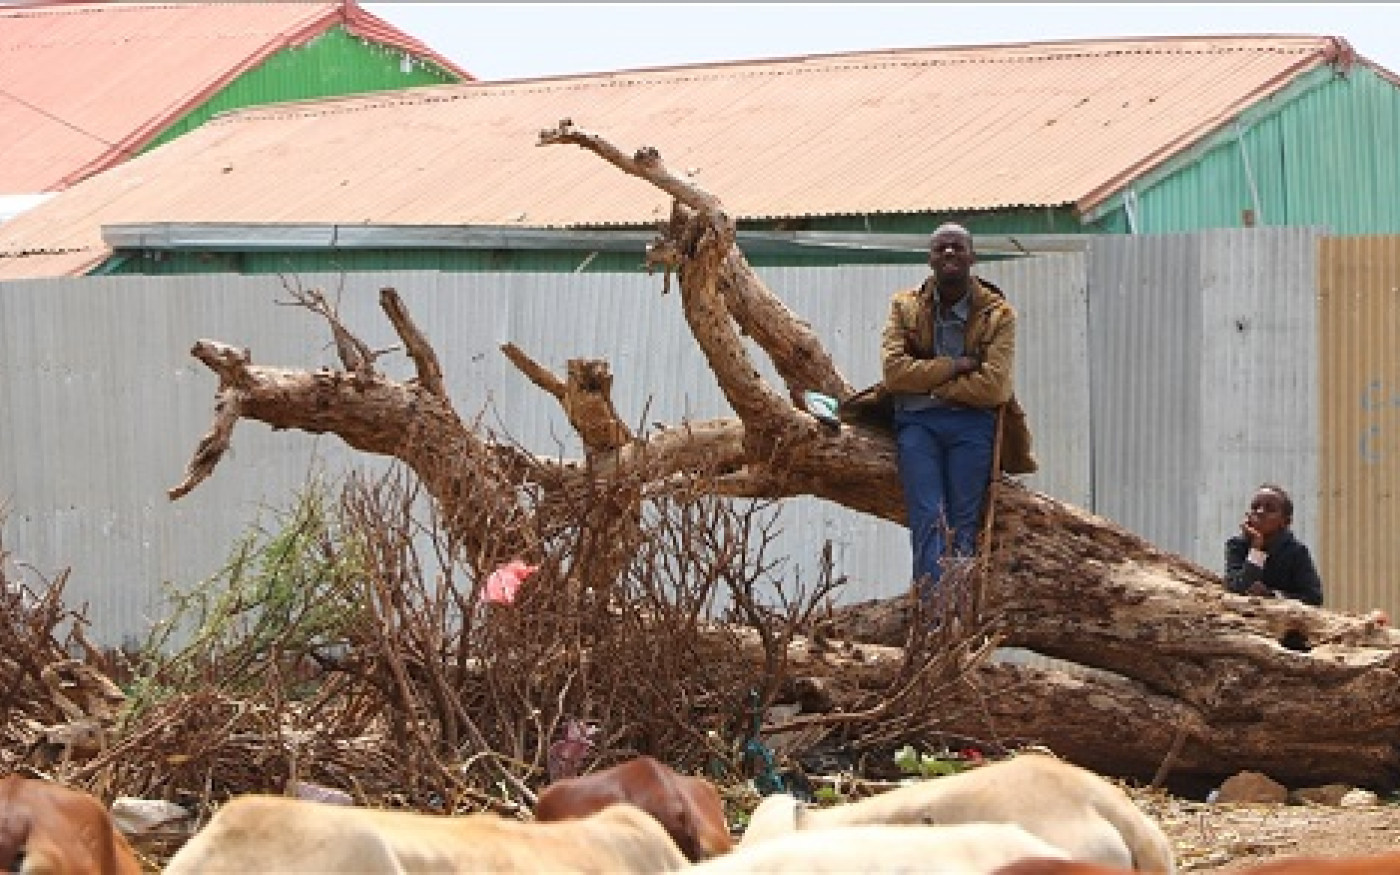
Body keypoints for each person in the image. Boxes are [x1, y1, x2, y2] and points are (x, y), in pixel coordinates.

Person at [881, 223, 1021, 600]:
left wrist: (932, 387)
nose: (948, 254)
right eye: (940, 248)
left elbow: (994, 386)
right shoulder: (905, 307)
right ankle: (932, 617)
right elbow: (894, 373)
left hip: (972, 423)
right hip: (917, 424)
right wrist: (955, 366)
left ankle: (958, 616)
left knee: (963, 525)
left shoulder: (998, 314)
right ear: (929, 259)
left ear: (972, 257)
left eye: (957, 247)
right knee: (928, 518)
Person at [1224, 483, 1323, 606]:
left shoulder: (1296, 552)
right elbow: (1236, 588)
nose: (1260, 512)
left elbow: (1314, 597)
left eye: (1270, 509)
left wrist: (1272, 595)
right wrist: (1256, 549)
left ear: (1285, 522)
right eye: (1255, 507)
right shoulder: (1237, 545)